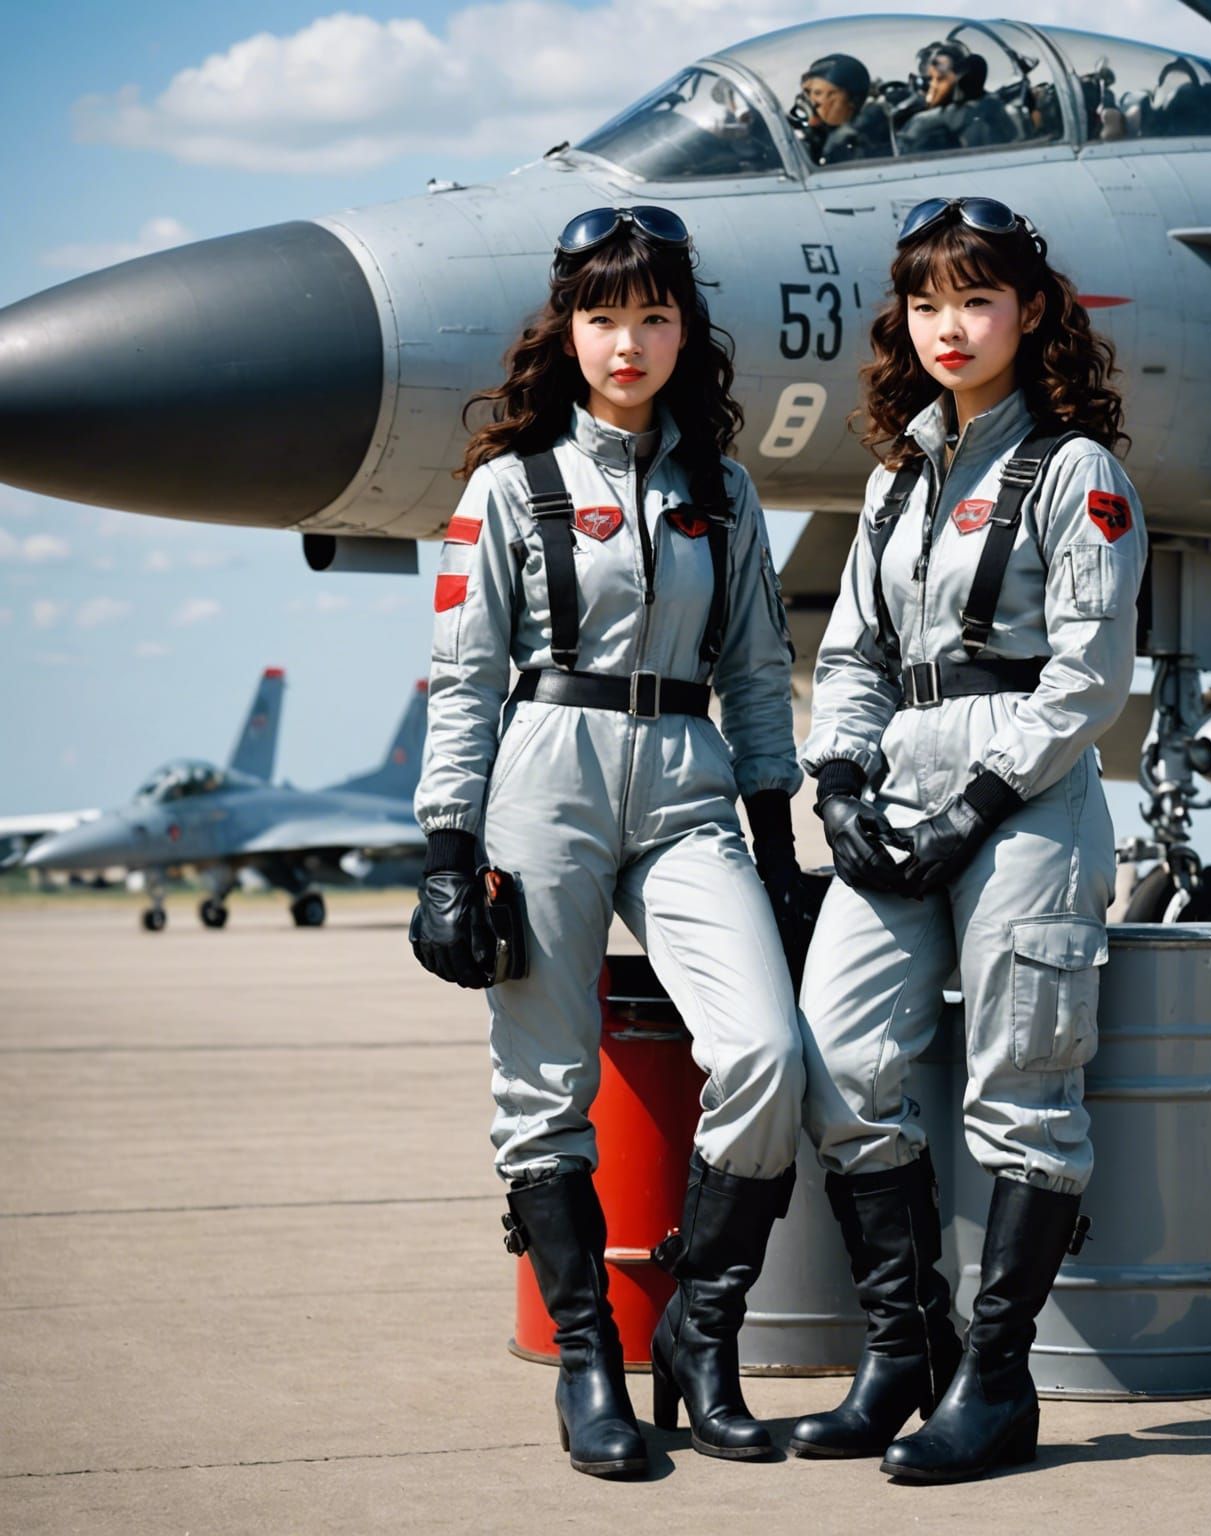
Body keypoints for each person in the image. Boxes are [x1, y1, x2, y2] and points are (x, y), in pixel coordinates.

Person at [410, 204, 806, 1478]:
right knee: (543, 1087)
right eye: (601, 317)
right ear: (565, 331)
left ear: (687, 329)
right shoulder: (506, 489)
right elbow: (463, 681)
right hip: (545, 777)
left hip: (690, 785)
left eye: (651, 316)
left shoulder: (722, 490)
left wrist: (778, 840)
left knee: (764, 1049)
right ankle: (591, 1366)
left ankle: (700, 1332)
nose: (626, 343)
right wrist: (443, 850)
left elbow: (756, 674)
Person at [787, 197, 1146, 1482]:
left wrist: (981, 805)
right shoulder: (895, 477)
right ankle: (907, 1356)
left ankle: (997, 1385)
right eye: (930, 303)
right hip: (895, 788)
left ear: (1032, 312)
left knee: (1023, 1090)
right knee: (833, 1062)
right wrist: (836, 789)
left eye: (978, 300)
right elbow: (854, 652)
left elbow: (1090, 678)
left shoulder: (1076, 473)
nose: (953, 326)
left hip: (1028, 803)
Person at [897, 41, 1017, 154]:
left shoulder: (925, 121)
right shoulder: (991, 104)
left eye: (940, 79)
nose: (932, 86)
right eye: (929, 79)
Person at [797, 52, 893, 165]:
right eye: (809, 95)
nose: (814, 104)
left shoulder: (873, 135)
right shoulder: (806, 141)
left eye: (819, 93)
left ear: (853, 100)